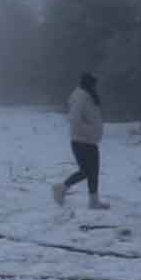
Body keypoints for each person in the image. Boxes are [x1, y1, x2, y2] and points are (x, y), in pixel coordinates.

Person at [53, 72, 110, 209]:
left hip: (89, 141)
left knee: (93, 171)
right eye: (93, 84)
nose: (95, 87)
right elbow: (74, 121)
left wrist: (94, 133)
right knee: (86, 171)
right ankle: (61, 188)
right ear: (88, 84)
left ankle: (93, 201)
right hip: (81, 141)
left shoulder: (88, 96)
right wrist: (91, 131)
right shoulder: (80, 97)